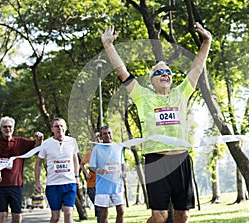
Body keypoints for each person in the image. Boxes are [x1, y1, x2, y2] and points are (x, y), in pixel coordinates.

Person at [99, 23, 212, 223]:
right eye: (159, 72)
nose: (165, 74)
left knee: (183, 216)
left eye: (168, 72)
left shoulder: (181, 93)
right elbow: (121, 71)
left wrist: (206, 42)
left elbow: (197, 67)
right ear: (151, 80)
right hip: (156, 160)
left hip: (182, 160)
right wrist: (108, 46)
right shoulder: (143, 96)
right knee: (159, 217)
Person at [0, 116, 43, 223]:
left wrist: (40, 138)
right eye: (5, 127)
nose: (7, 129)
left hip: (16, 185)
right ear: (0, 128)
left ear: (13, 128)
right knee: (2, 215)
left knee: (16, 216)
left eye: (10, 127)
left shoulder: (20, 142)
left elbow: (37, 146)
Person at [35, 118, 80, 223]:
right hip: (53, 185)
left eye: (61, 126)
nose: (59, 128)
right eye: (56, 126)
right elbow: (38, 164)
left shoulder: (72, 141)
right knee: (55, 217)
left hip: (69, 183)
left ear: (65, 128)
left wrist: (77, 177)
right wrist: (37, 182)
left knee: (68, 213)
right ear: (52, 129)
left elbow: (75, 160)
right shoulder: (46, 144)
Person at [89, 126, 125, 223]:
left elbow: (122, 163)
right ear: (100, 136)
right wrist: (98, 170)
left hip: (117, 185)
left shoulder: (118, 147)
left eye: (109, 133)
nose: (107, 135)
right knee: (104, 213)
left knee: (121, 211)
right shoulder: (97, 148)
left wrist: (124, 172)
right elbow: (91, 166)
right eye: (104, 134)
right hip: (103, 187)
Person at [80, 132, 102, 223]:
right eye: (96, 139)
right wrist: (86, 173)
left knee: (102, 209)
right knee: (99, 208)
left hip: (104, 185)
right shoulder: (89, 153)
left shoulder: (107, 152)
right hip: (92, 185)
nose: (98, 140)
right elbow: (82, 164)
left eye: (100, 139)